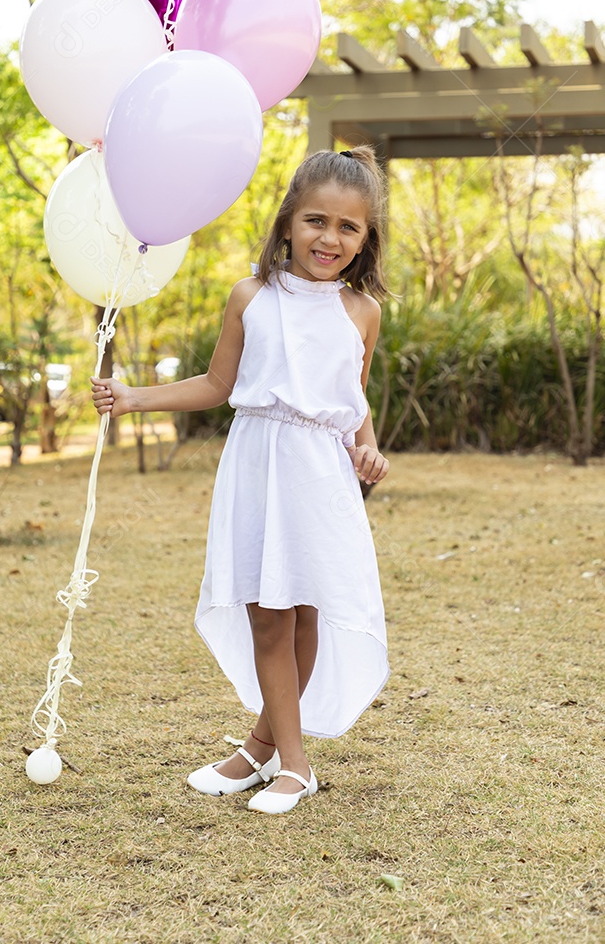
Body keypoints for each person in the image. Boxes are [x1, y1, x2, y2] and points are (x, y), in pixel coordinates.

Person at [91, 146, 390, 815]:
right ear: (287, 222)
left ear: (366, 239)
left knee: (305, 609)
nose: (330, 238)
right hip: (260, 465)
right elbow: (218, 384)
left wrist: (369, 449)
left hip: (320, 476)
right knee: (268, 619)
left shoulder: (361, 311)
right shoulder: (251, 297)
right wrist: (133, 397)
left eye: (349, 228)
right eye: (317, 220)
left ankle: (268, 751)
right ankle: (291, 761)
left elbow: (353, 402)